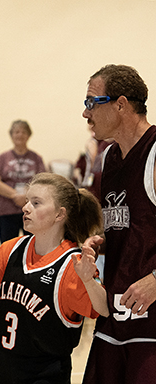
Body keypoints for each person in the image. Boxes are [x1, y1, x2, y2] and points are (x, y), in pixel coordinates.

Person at [0, 172, 107, 383]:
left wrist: (89, 280)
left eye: (36, 203)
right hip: (2, 367)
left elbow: (102, 309)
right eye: (27, 201)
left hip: (45, 373)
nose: (26, 208)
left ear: (59, 215)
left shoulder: (73, 264)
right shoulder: (12, 248)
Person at [80, 64, 156, 384]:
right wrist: (103, 242)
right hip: (115, 320)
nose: (85, 114)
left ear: (121, 104)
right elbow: (134, 226)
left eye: (91, 102)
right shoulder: (110, 158)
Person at [0, 120, 46, 243]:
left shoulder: (36, 158)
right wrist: (14, 195)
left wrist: (27, 196)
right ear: (11, 135)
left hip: (32, 211)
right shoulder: (3, 157)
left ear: (28, 135)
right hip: (6, 211)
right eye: (16, 132)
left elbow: (43, 181)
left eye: (23, 132)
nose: (20, 135)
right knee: (8, 248)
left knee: (33, 247)